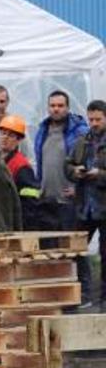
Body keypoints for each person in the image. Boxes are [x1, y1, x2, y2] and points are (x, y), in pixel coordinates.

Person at [67, 100, 106, 307]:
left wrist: (98, 174)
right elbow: (68, 164)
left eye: (98, 119)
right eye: (91, 119)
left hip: (103, 205)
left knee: (105, 253)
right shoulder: (83, 141)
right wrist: (75, 171)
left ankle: (103, 299)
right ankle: (83, 295)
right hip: (85, 206)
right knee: (77, 251)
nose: (94, 123)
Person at [34, 90, 89, 231]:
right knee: (49, 248)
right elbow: (40, 162)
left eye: (60, 105)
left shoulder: (80, 132)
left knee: (70, 248)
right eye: (52, 105)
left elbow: (89, 162)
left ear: (68, 108)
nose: (56, 109)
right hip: (46, 201)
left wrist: (79, 189)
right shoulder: (42, 130)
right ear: (48, 108)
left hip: (68, 202)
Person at [0, 115, 53, 231]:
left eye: (11, 135)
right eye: (3, 133)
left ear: (19, 140)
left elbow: (30, 202)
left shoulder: (21, 166)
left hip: (13, 222)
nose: (5, 138)